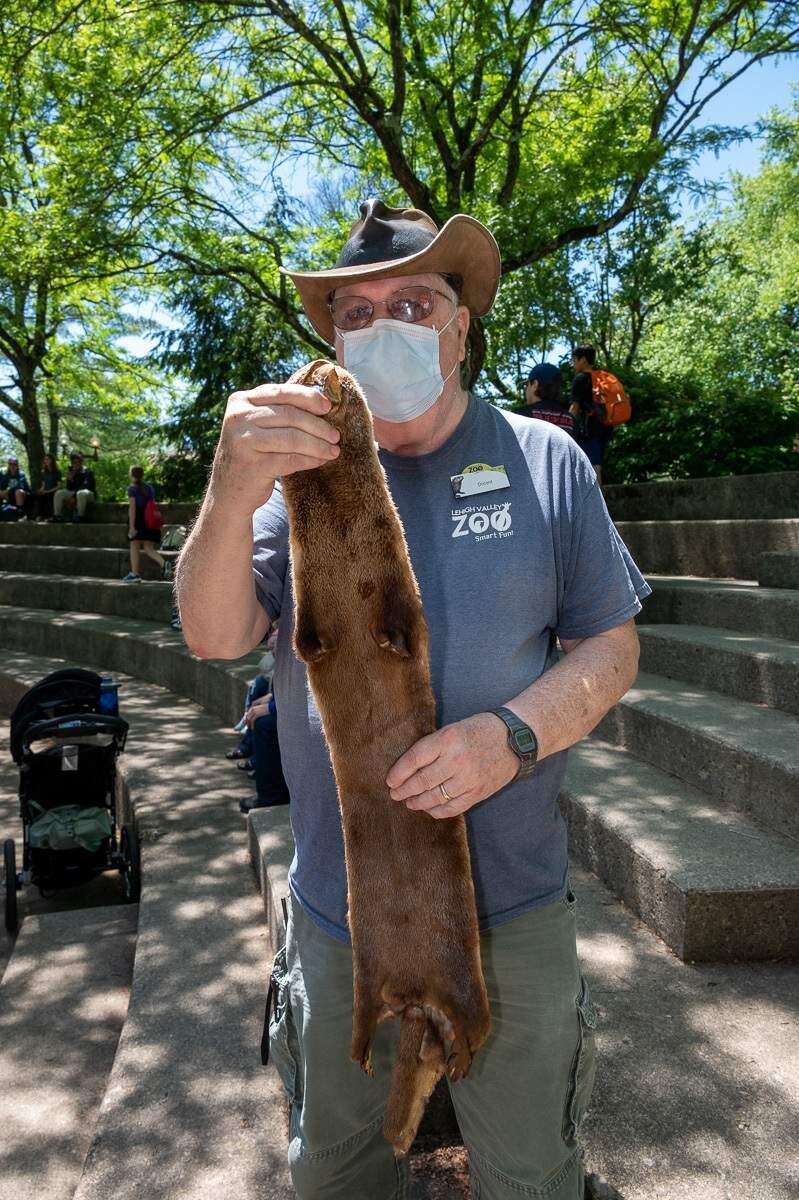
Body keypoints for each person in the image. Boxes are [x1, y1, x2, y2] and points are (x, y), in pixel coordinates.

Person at [176, 198, 650, 1200]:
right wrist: (229, 487)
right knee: (340, 1172)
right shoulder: (291, 481)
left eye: (413, 303)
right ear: (332, 339)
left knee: (531, 1172)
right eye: (355, 312)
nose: (381, 325)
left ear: (461, 324)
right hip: (339, 912)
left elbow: (611, 644)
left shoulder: (545, 460)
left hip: (514, 905)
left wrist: (514, 734)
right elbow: (216, 637)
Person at [569, 345, 615, 484]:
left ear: (583, 360)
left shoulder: (580, 379)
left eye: (575, 360)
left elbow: (574, 408)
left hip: (590, 429)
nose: (573, 364)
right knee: (597, 462)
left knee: (593, 465)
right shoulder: (601, 378)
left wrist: (566, 427)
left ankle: (597, 503)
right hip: (606, 426)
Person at [123, 465, 166, 583]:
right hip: (149, 519)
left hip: (138, 520)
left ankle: (135, 574)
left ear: (131, 475)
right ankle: (164, 563)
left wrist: (131, 527)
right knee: (148, 548)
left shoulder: (132, 489)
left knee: (134, 545)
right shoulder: (149, 488)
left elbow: (132, 509)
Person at [523, 362, 575, 434]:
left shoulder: (521, 416)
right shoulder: (571, 420)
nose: (526, 389)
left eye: (527, 385)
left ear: (535, 384)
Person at [53, 452, 96, 522]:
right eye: (74, 462)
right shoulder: (72, 472)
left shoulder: (88, 471)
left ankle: (80, 516)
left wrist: (73, 497)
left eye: (78, 462)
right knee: (59, 493)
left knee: (81, 493)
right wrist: (70, 479)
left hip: (88, 494)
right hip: (75, 492)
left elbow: (85, 486)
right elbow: (69, 488)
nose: (76, 464)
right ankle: (57, 516)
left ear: (81, 462)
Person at [34, 453, 62, 521]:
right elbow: (43, 485)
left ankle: (50, 516)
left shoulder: (57, 472)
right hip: (46, 491)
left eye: (47, 459)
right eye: (45, 459)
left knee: (49, 496)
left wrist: (48, 491)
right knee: (38, 495)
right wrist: (41, 490)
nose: (45, 461)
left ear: (52, 460)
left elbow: (59, 486)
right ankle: (39, 515)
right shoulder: (43, 472)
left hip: (54, 491)